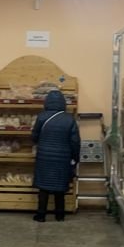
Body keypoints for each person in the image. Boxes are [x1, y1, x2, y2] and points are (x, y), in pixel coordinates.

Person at [30, 89, 79, 222]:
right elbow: (75, 141)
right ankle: (60, 215)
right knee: (60, 187)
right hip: (63, 157)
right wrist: (75, 158)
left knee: (43, 187)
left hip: (44, 156)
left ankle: (41, 215)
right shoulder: (69, 119)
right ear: (63, 103)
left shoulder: (41, 117)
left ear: (47, 102)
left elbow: (34, 136)